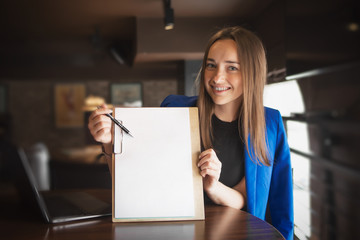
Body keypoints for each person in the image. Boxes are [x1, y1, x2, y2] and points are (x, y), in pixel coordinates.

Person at [88, 26, 294, 240]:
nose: (217, 78)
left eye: (232, 68)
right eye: (211, 65)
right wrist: (109, 144)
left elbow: (248, 199)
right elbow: (136, 185)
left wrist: (213, 186)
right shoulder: (175, 110)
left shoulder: (269, 124)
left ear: (253, 72)